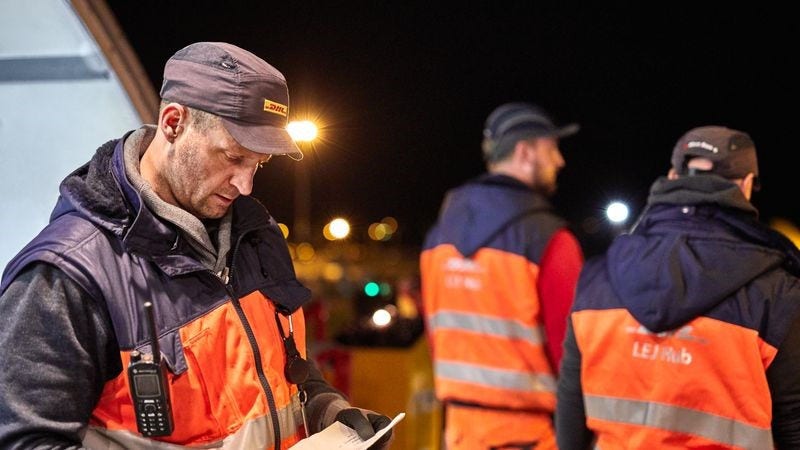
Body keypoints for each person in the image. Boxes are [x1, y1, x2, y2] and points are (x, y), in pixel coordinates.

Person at [0, 41, 393, 449]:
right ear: (174, 123)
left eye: (258, 164)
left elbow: (282, 367)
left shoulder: (259, 238)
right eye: (232, 157)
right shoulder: (67, 275)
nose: (246, 185)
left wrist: (326, 410)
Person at [556, 125, 800, 449]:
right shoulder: (777, 293)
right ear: (747, 185)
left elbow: (572, 407)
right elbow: (793, 422)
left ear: (673, 176)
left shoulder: (599, 276)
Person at [420, 102, 585, 449]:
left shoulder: (438, 235)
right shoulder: (551, 241)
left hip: (458, 433)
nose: (560, 161)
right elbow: (573, 358)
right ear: (526, 152)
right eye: (552, 149)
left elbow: (438, 334)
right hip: (527, 436)